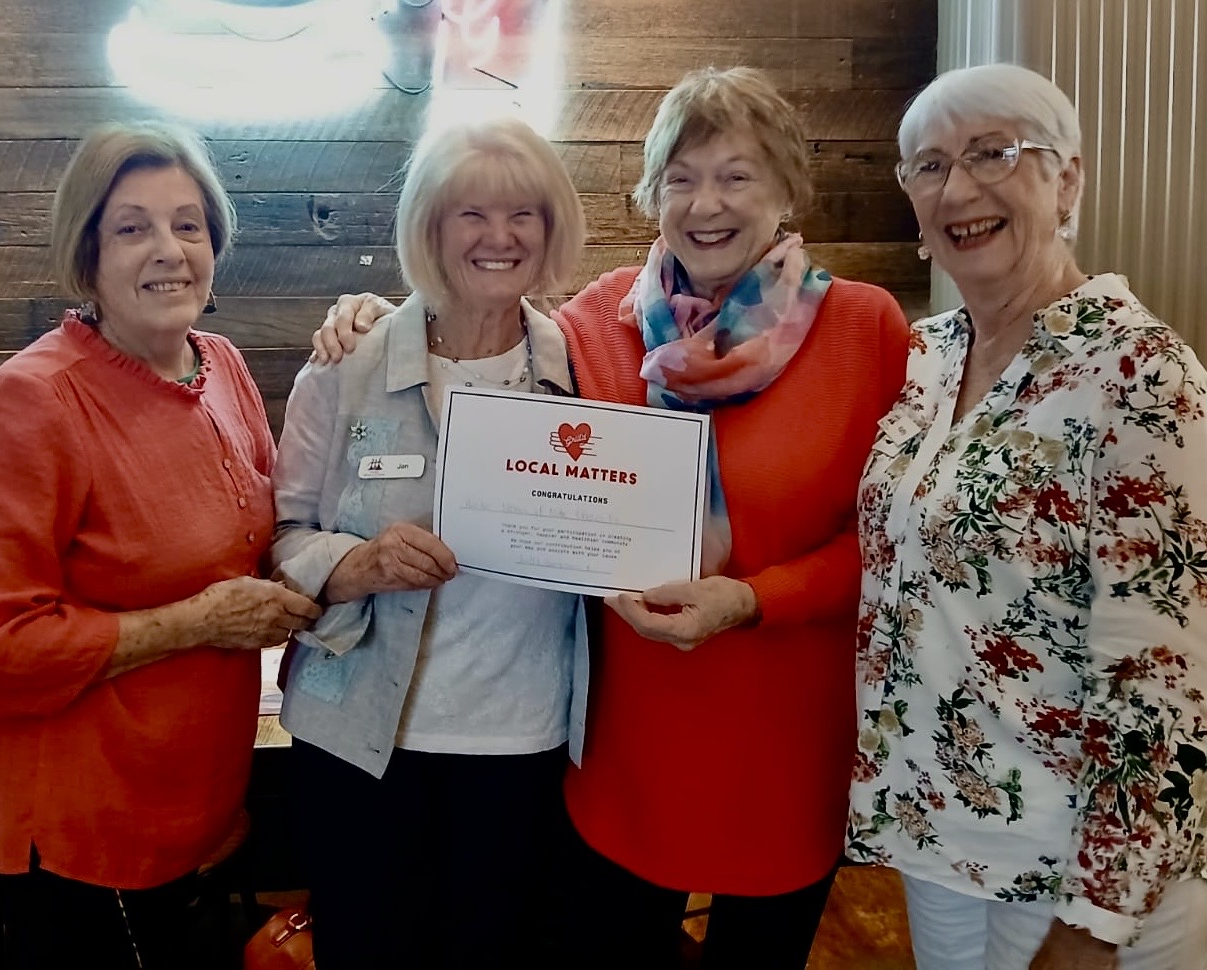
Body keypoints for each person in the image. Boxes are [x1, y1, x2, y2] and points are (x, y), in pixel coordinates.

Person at [312, 67, 912, 969]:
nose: (706, 203)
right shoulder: (595, 324)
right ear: (652, 194)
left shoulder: (866, 330)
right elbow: (476, 339)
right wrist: (371, 315)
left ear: (787, 188)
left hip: (782, 744)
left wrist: (754, 600)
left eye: (737, 175)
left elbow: (893, 550)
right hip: (628, 747)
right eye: (682, 178)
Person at [847, 63, 1207, 969]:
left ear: (1067, 179)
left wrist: (1094, 925)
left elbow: (1169, 688)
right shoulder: (926, 358)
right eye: (930, 165)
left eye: (993, 153)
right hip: (949, 830)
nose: (959, 189)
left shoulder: (1141, 377)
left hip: (1097, 864)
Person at [0, 122, 322, 969]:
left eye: (188, 225)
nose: (168, 251)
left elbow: (264, 538)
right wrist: (196, 623)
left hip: (195, 813)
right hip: (82, 832)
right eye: (131, 228)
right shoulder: (32, 402)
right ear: (87, 256)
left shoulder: (220, 366)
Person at [269, 116, 590, 968]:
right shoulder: (347, 366)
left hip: (523, 745)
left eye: (522, 214)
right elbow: (281, 539)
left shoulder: (585, 369)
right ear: (430, 227)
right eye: (470, 214)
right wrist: (357, 566)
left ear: (550, 228)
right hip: (359, 743)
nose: (498, 237)